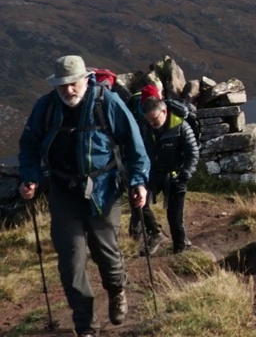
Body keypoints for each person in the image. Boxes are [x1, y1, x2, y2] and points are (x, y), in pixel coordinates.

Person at [18, 55, 149, 337]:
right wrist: (30, 178)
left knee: (106, 253)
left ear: (86, 80)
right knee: (71, 260)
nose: (69, 90)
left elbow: (134, 143)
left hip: (104, 190)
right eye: (63, 85)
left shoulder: (107, 103)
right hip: (63, 193)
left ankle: (116, 290)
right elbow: (29, 146)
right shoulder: (45, 107)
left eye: (73, 83)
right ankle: (86, 326)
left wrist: (139, 182)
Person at [136, 93, 199, 254]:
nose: (151, 123)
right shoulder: (145, 127)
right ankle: (156, 233)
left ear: (164, 112)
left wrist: (185, 175)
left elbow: (193, 153)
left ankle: (180, 247)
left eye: (154, 119)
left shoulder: (181, 126)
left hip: (175, 177)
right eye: (148, 120)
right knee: (138, 202)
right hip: (152, 174)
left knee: (174, 217)